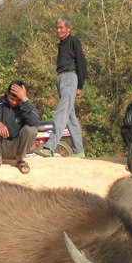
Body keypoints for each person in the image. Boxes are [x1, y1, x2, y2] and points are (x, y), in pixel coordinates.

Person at [39, 17, 86, 158]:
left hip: (70, 77)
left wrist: (80, 85)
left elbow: (81, 62)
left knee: (61, 112)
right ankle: (79, 151)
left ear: (68, 29)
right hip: (61, 78)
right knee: (70, 116)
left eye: (61, 27)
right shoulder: (61, 44)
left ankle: (49, 146)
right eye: (57, 27)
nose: (58, 30)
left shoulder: (73, 41)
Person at [0, 81, 41, 174]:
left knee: (31, 129)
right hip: (0, 147)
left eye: (18, 100)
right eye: (11, 98)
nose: (14, 102)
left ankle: (20, 160)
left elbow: (35, 122)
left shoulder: (27, 106)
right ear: (7, 94)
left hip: (18, 148)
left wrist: (24, 99)